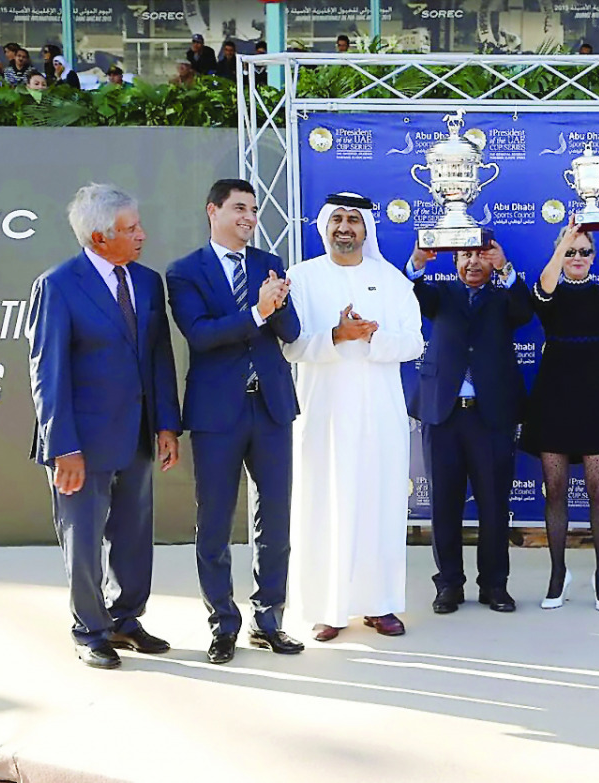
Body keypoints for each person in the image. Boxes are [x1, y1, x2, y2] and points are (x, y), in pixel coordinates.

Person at [26, 183, 182, 669]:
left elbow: (158, 357)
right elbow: (46, 373)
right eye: (131, 228)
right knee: (84, 539)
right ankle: (89, 630)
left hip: (138, 435)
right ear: (99, 237)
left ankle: (125, 620)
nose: (142, 235)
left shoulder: (147, 281)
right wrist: (62, 447)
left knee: (134, 536)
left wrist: (166, 426)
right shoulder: (57, 285)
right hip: (82, 444)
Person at [166, 179, 303, 664]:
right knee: (215, 522)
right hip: (217, 413)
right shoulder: (184, 272)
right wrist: (257, 310)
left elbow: (291, 332)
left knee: (277, 521)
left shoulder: (269, 264)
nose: (249, 216)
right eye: (240, 208)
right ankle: (223, 624)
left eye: (254, 209)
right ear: (214, 211)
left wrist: (279, 305)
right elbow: (201, 336)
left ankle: (270, 620)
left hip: (271, 408)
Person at [284, 194, 423, 641]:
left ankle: (380, 605)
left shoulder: (392, 279)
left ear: (366, 229)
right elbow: (291, 346)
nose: (345, 228)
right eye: (337, 220)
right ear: (325, 226)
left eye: (354, 221)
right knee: (325, 506)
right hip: (323, 415)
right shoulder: (301, 278)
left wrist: (372, 337)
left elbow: (414, 344)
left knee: (378, 505)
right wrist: (336, 336)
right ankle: (329, 608)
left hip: (380, 417)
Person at [521, 217, 599, 613]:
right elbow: (542, 289)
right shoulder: (549, 293)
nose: (577, 257)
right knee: (554, 492)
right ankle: (558, 574)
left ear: (594, 257)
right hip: (554, 400)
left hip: (596, 403)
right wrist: (564, 243)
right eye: (570, 251)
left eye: (583, 252)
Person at [406, 241, 534, 615]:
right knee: (444, 506)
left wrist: (507, 269)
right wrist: (417, 261)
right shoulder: (440, 294)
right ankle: (448, 585)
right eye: (466, 256)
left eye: (481, 255)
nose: (474, 262)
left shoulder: (504, 296)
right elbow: (411, 292)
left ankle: (495, 586)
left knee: (494, 505)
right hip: (443, 416)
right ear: (455, 261)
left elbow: (525, 312)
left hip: (490, 416)